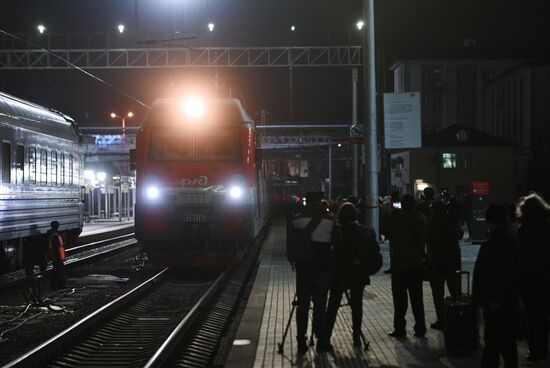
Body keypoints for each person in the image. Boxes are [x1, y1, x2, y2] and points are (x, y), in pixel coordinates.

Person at [287, 191, 339, 354]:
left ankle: (301, 340)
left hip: (303, 269)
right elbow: (337, 243)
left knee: (302, 305)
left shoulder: (297, 220)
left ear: (306, 202)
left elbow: (290, 243)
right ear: (320, 201)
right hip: (323, 268)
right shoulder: (330, 220)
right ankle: (321, 341)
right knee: (320, 306)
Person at [472, 204, 520, 368]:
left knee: (494, 340)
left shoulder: (499, 241)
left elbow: (501, 272)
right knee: (505, 341)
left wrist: (496, 298)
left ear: (490, 221)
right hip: (504, 299)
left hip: (497, 301)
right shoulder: (509, 236)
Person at [326, 202, 378, 348]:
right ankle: (356, 337)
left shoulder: (336, 231)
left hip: (338, 273)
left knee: (333, 305)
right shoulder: (366, 231)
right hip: (358, 273)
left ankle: (326, 337)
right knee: (357, 305)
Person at [385, 194, 428, 337]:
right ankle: (420, 328)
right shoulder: (421, 219)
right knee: (417, 299)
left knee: (399, 301)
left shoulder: (397, 219)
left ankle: (400, 328)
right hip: (416, 265)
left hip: (400, 265)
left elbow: (387, 232)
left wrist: (391, 215)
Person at [516, 193, 550, 363]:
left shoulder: (525, 229)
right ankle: (542, 348)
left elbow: (520, 255)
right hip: (545, 276)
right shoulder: (546, 224)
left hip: (530, 279)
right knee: (543, 316)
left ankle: (536, 350)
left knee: (533, 317)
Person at [427, 200, 461, 330]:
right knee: (455, 292)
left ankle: (441, 319)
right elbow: (459, 235)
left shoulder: (432, 223)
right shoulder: (451, 221)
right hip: (452, 262)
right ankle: (459, 316)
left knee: (438, 294)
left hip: (438, 263)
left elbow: (430, 245)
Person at [380, 191, 400, 274]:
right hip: (394, 231)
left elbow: (390, 212)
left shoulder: (396, 204)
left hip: (394, 231)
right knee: (394, 251)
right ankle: (394, 267)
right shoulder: (396, 204)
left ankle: (395, 267)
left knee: (394, 251)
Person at [48, 221, 66, 290]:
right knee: (58, 272)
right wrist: (58, 257)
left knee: (57, 272)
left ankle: (59, 286)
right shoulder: (55, 235)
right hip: (57, 258)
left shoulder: (52, 234)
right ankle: (58, 286)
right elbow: (56, 248)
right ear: (57, 226)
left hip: (56, 257)